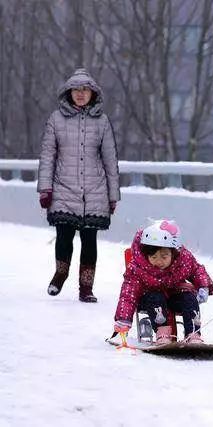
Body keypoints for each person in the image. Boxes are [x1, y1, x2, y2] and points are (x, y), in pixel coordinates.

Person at [37, 68, 120, 303]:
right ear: (69, 92)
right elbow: (47, 155)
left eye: (85, 90)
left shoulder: (102, 122)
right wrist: (45, 189)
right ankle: (60, 274)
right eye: (76, 90)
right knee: (64, 235)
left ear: (93, 93)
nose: (81, 94)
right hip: (63, 187)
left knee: (89, 239)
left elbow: (110, 160)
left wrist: (112, 196)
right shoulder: (56, 119)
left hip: (95, 190)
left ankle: (86, 287)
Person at [113, 220, 213, 344]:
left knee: (189, 297)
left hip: (173, 297)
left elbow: (197, 270)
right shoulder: (138, 268)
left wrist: (203, 286)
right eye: (153, 257)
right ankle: (162, 334)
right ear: (146, 255)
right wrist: (123, 319)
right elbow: (128, 293)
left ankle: (193, 334)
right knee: (155, 297)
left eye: (164, 256)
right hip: (150, 301)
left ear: (173, 253)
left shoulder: (183, 260)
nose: (159, 261)